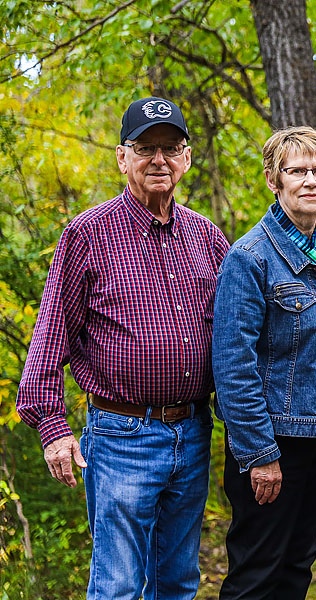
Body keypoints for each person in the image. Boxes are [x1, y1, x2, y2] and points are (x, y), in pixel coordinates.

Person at [16, 97, 229, 599]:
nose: (159, 159)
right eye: (145, 148)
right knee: (117, 586)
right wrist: (53, 428)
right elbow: (51, 334)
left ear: (187, 157)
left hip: (193, 432)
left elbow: (238, 332)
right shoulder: (88, 233)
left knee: (177, 582)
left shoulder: (209, 238)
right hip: (120, 436)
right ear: (121, 158)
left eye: (170, 148)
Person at [212, 126, 316, 598]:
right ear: (274, 182)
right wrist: (260, 454)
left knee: (297, 565)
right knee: (257, 571)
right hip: (275, 438)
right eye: (297, 171)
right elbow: (234, 367)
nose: (310, 180)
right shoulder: (250, 257)